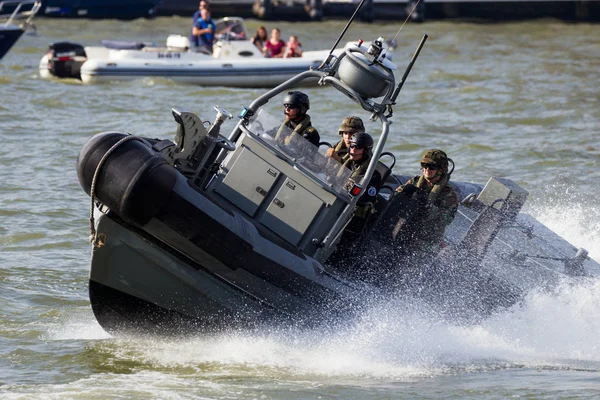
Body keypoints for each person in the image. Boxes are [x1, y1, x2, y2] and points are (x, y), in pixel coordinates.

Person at [394, 149, 459, 252]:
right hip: (405, 231)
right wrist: (402, 194)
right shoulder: (414, 182)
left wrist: (426, 206)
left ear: (441, 170)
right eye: (425, 166)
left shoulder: (448, 194)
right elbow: (394, 198)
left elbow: (446, 219)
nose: (427, 169)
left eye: (432, 167)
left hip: (427, 241)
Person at [341, 132, 382, 209]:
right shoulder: (347, 165)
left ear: (366, 151)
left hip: (352, 213)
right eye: (352, 146)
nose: (353, 150)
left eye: (358, 147)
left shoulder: (373, 175)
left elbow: (364, 200)